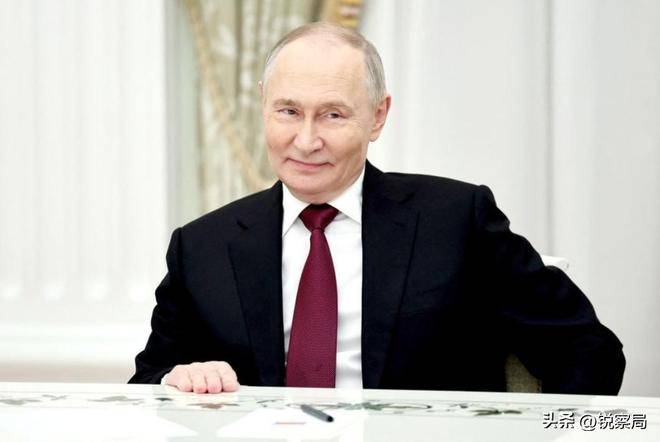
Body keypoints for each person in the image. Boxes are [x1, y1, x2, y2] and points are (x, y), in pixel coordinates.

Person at [129, 22, 624, 395]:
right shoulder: (202, 246)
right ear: (263, 105)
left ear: (378, 116)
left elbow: (589, 352)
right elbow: (148, 380)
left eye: (333, 115)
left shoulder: (457, 221)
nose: (306, 140)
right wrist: (177, 380)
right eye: (288, 111)